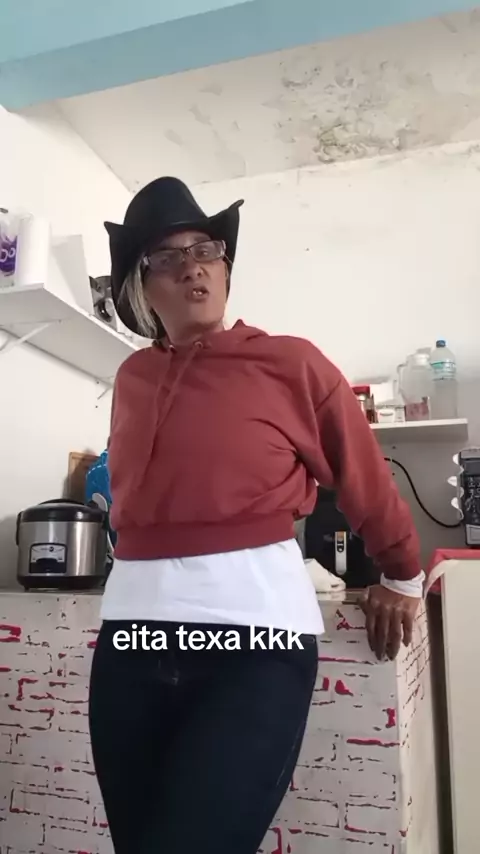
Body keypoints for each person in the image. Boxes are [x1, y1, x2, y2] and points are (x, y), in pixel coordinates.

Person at [89, 177, 424, 854]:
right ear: (139, 287)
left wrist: (401, 574)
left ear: (224, 267)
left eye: (205, 250)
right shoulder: (131, 378)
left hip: (253, 642)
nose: (192, 266)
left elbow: (361, 472)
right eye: (166, 257)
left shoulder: (290, 363)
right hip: (131, 640)